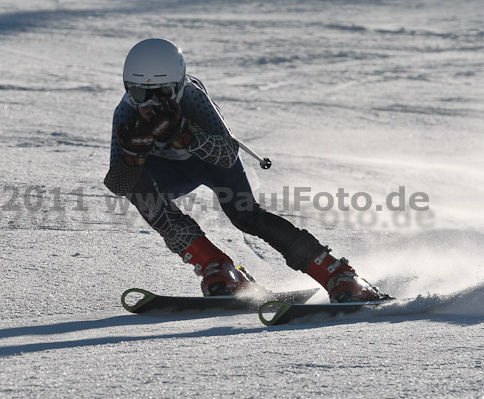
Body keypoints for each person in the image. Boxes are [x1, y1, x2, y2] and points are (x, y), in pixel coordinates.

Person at [104, 38, 390, 302]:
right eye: (139, 93)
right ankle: (215, 266)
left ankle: (337, 273)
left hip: (210, 164)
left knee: (245, 216)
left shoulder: (192, 98)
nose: (149, 104)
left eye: (162, 93)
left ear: (178, 86)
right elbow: (119, 185)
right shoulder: (125, 113)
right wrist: (132, 157)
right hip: (169, 172)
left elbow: (227, 154)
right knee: (141, 192)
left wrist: (186, 135)